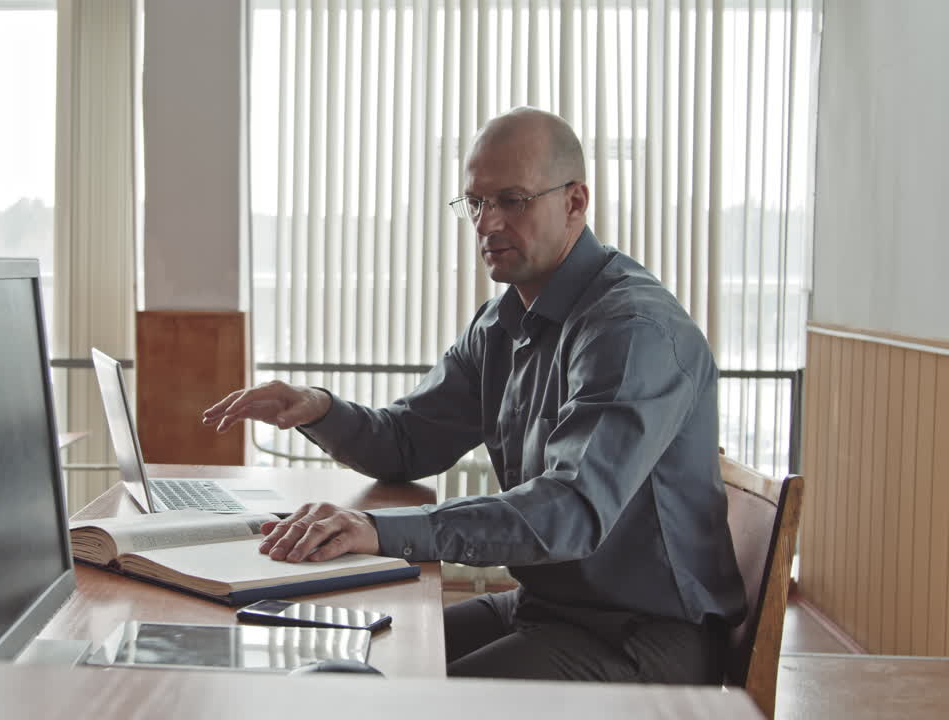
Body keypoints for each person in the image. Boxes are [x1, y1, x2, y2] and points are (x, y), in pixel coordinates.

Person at [202, 107, 745, 684]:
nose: (487, 224)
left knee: (398, 698)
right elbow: (408, 443)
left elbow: (570, 511)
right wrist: (319, 409)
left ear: (575, 202)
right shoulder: (502, 322)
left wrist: (378, 530)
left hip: (642, 637)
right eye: (477, 203)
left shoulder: (632, 330)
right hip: (547, 609)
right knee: (368, 662)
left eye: (511, 200)